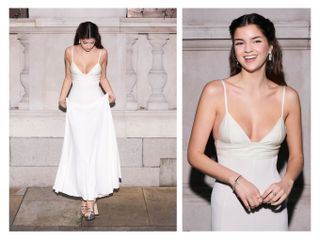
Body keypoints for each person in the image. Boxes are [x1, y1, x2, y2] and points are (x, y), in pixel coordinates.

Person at [187, 13, 303, 230]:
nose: (247, 49)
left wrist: (287, 182)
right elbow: (194, 155)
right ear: (234, 49)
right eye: (240, 43)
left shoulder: (289, 97)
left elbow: (296, 156)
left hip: (274, 203)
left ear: (270, 47)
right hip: (228, 200)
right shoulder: (214, 92)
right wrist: (236, 180)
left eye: (256, 41)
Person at [53, 21, 121, 221]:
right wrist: (61, 97)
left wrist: (111, 94)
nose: (88, 46)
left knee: (93, 153)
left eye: (91, 42)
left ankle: (89, 203)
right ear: (79, 38)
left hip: (96, 108)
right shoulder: (69, 52)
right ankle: (89, 196)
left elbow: (103, 78)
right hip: (76, 108)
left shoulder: (102, 53)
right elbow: (68, 78)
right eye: (84, 42)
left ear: (96, 39)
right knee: (80, 153)